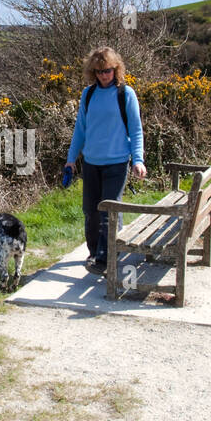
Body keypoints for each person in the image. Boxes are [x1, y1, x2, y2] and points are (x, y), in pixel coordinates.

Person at [64, 47, 146, 275]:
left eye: (108, 71)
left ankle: (105, 259)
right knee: (90, 211)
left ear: (116, 69)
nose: (104, 75)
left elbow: (136, 130)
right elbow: (80, 129)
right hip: (91, 163)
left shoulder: (125, 94)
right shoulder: (88, 95)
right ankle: (94, 253)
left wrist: (137, 160)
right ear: (93, 71)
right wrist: (71, 160)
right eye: (99, 71)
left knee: (109, 212)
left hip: (117, 163)